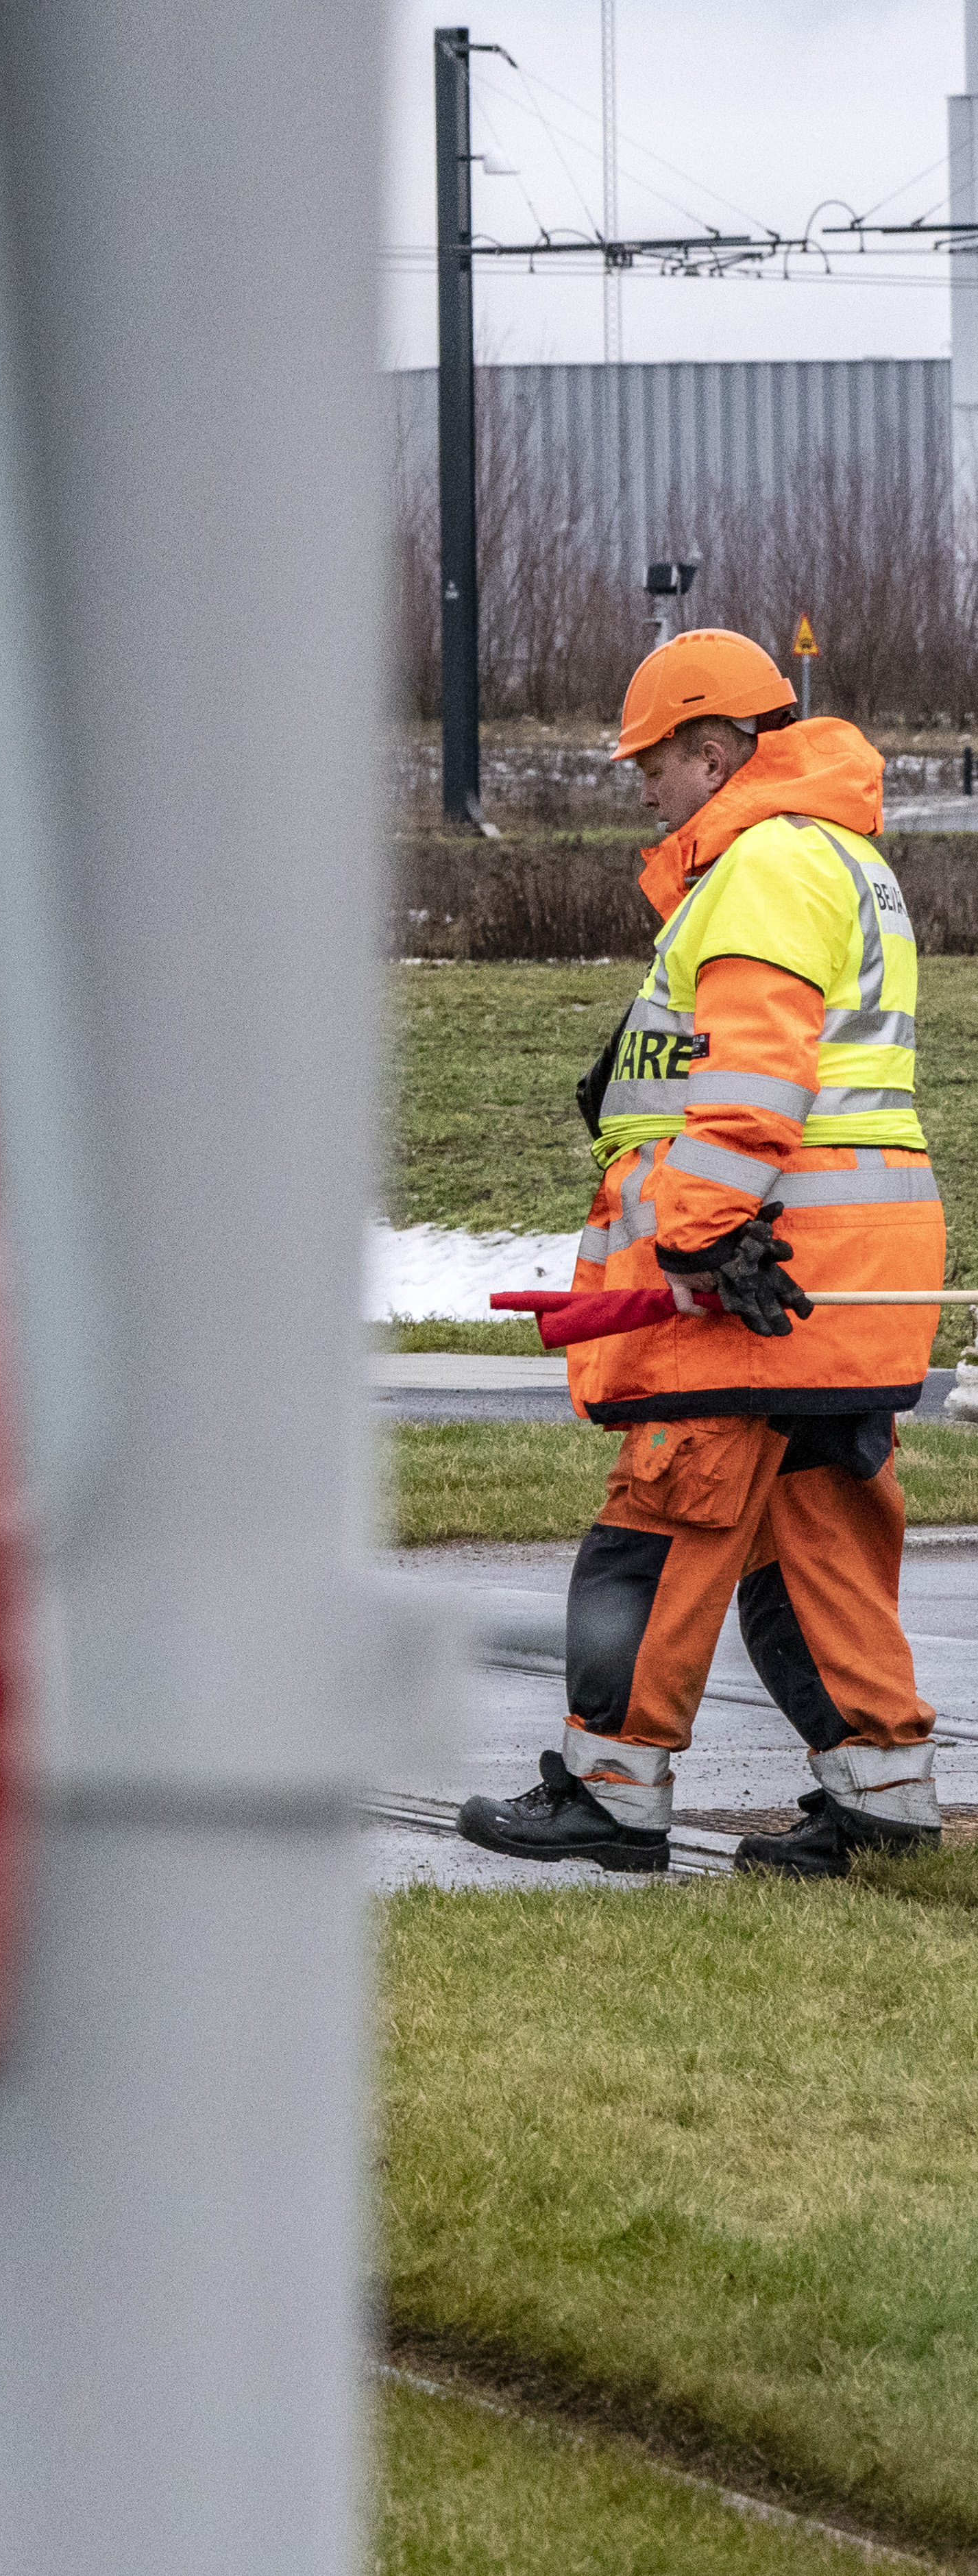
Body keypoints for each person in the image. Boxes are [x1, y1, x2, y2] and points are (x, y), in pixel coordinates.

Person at [459, 627, 947, 1879]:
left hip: (757, 1262)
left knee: (663, 1516)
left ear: (720, 747)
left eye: (657, 759)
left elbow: (752, 1081)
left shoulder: (766, 862)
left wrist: (701, 1231)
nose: (641, 784)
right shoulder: (838, 853)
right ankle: (881, 1792)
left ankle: (608, 1788)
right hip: (842, 1261)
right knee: (816, 1524)